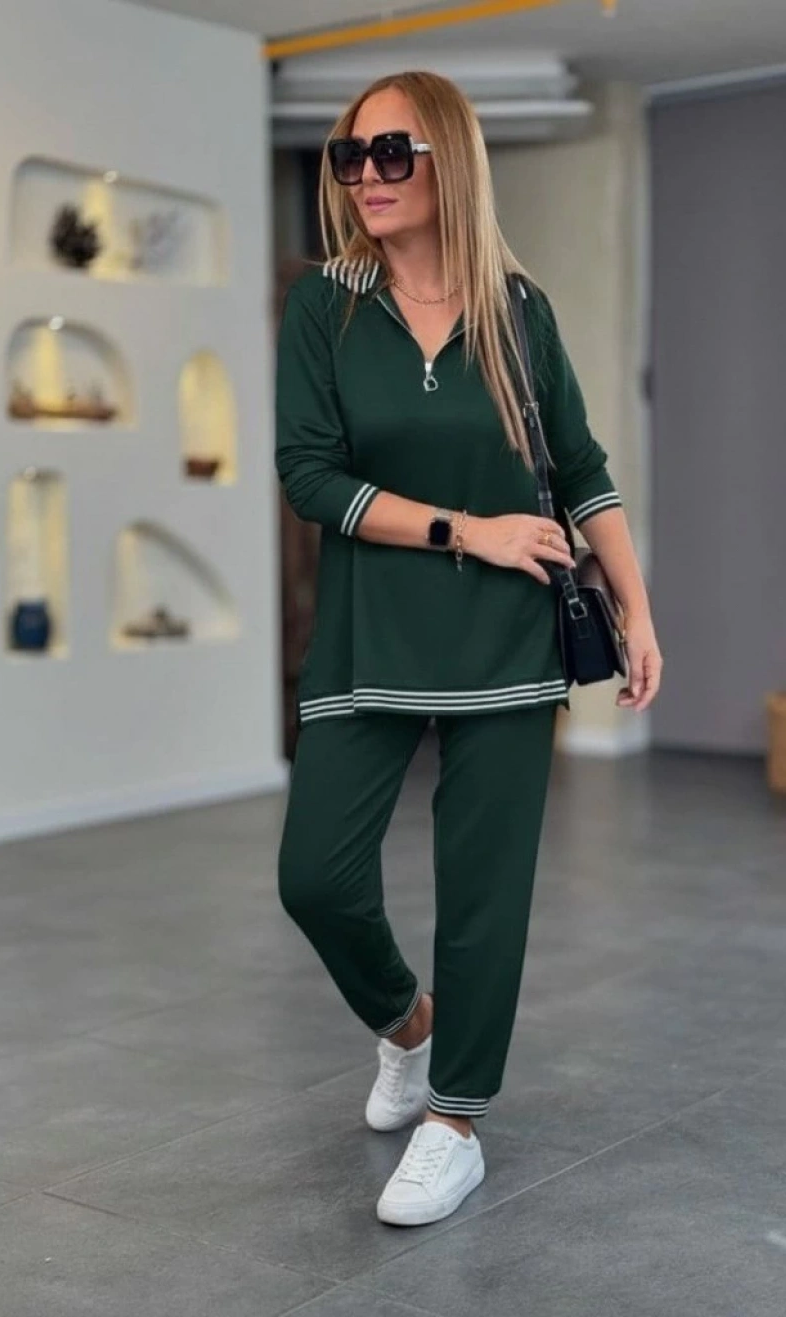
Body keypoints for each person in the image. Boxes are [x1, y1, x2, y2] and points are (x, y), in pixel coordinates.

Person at [274, 70, 662, 1228]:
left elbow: (581, 471)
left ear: (450, 161)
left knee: (484, 895)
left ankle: (455, 1122)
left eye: (392, 153)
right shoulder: (326, 304)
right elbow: (309, 476)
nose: (366, 176)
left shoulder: (518, 311)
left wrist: (639, 610)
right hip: (367, 634)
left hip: (507, 637)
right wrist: (466, 529)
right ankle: (409, 1027)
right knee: (316, 878)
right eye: (349, 157)